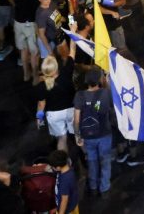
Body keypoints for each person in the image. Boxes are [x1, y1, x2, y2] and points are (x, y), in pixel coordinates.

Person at [73, 67, 115, 196]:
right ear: (99, 80)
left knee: (91, 161)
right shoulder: (106, 93)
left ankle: (93, 185)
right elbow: (112, 106)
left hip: (88, 136)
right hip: (104, 134)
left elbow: (76, 120)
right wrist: (106, 82)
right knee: (105, 161)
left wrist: (77, 136)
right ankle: (105, 187)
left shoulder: (79, 95)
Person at [49, 149, 79, 214]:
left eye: (52, 167)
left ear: (58, 167)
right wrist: (57, 208)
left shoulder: (65, 181)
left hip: (68, 211)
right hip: (72, 205)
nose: (52, 168)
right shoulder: (68, 169)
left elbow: (64, 200)